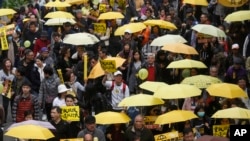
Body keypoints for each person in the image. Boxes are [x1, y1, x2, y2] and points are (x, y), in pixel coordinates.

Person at [0, 58, 15, 123]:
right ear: (4, 64)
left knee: (14, 104)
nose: (8, 64)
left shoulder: (14, 70)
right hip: (6, 86)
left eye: (9, 62)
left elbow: (18, 78)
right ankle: (4, 119)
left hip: (14, 87)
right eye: (6, 63)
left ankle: (14, 118)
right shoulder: (1, 72)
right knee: (5, 105)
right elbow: (0, 81)